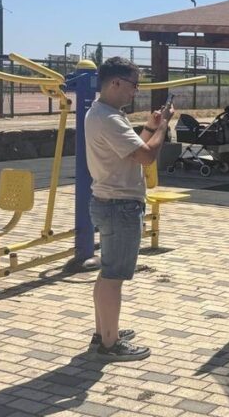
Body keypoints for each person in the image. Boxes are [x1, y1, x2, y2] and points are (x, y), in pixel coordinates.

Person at [85, 57, 175, 362]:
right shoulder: (109, 118)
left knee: (107, 272)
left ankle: (105, 332)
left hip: (108, 201)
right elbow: (147, 156)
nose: (135, 92)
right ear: (115, 83)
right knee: (114, 275)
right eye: (133, 86)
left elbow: (134, 152)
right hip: (119, 205)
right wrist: (163, 127)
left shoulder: (102, 114)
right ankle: (109, 344)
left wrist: (150, 126)